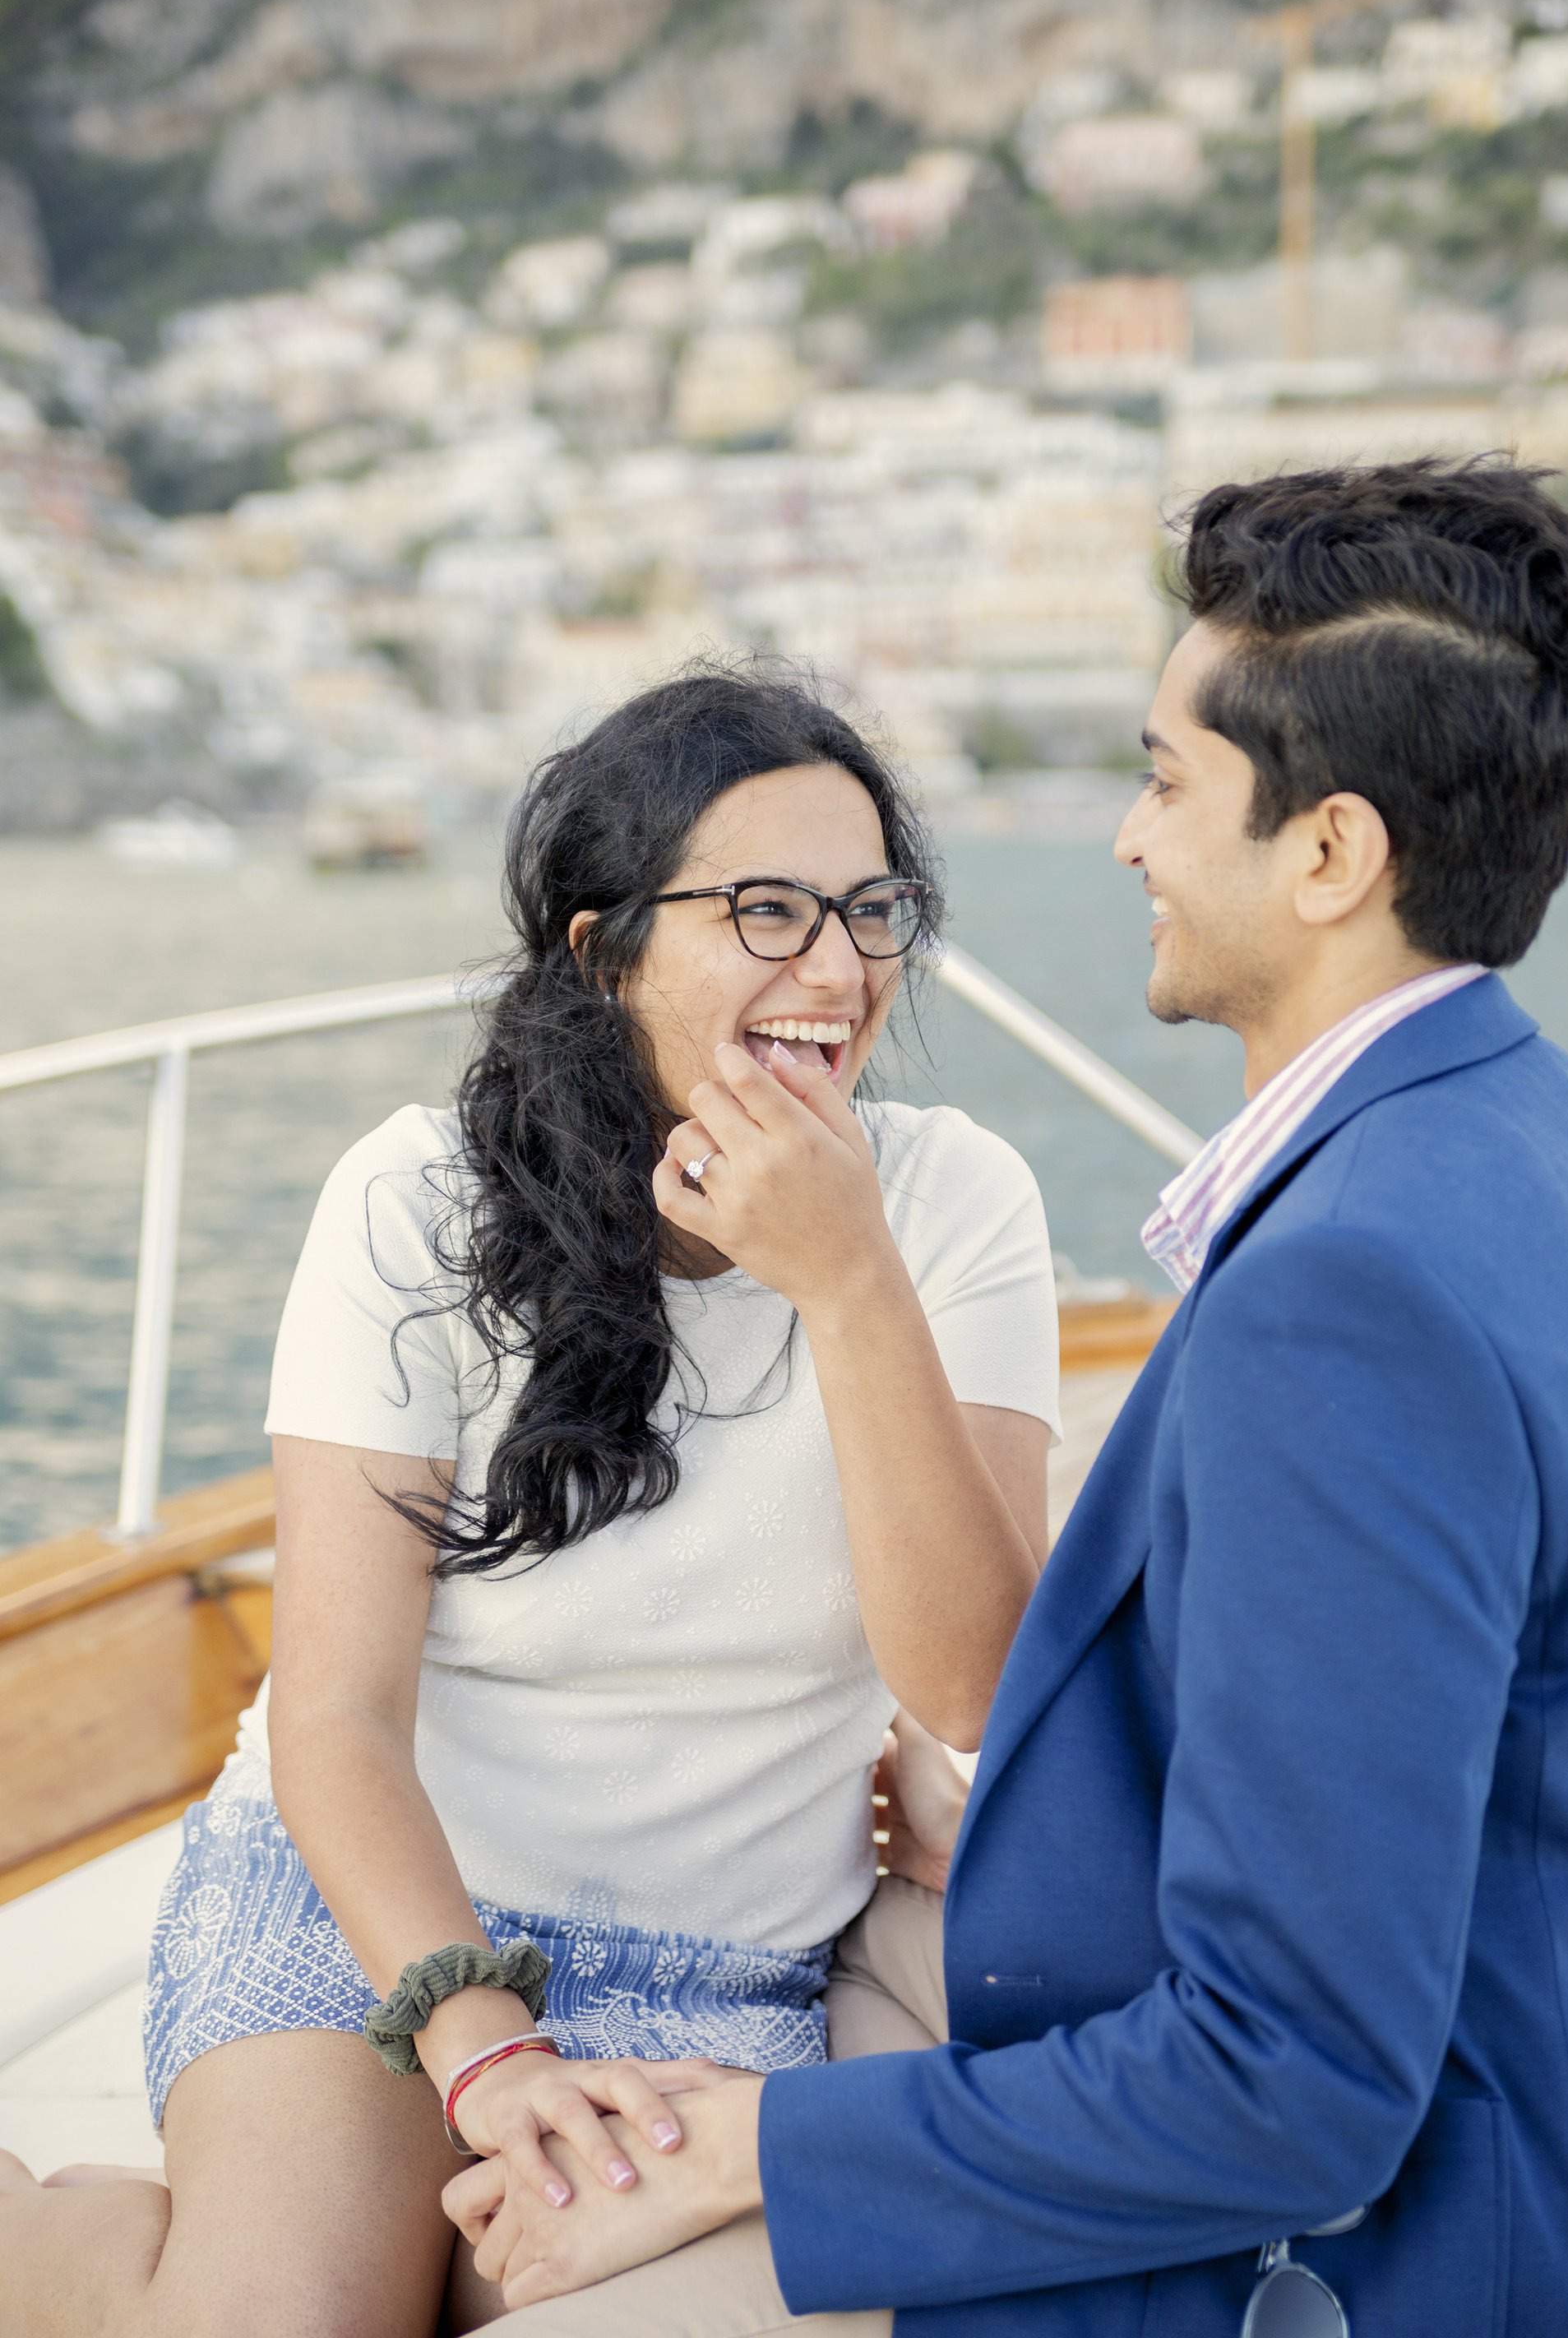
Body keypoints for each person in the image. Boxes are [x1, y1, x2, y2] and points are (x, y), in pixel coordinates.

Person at [455, 457, 1568, 2337]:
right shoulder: (1513, 1141)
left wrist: (763, 2148)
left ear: (1329, 856)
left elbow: (1293, 2090)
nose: (1128, 843)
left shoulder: (1343, 1298)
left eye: (1161, 780)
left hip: (1370, 2256)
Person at [0, 667, 1061, 2338]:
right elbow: (336, 1717)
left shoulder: (951, 1204)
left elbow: (981, 1687)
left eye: (872, 911)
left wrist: (851, 1284)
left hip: (722, 1976)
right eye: (768, 911)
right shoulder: (414, 1198)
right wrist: (480, 2041)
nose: (841, 969)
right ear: (606, 947)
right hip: (373, 1908)